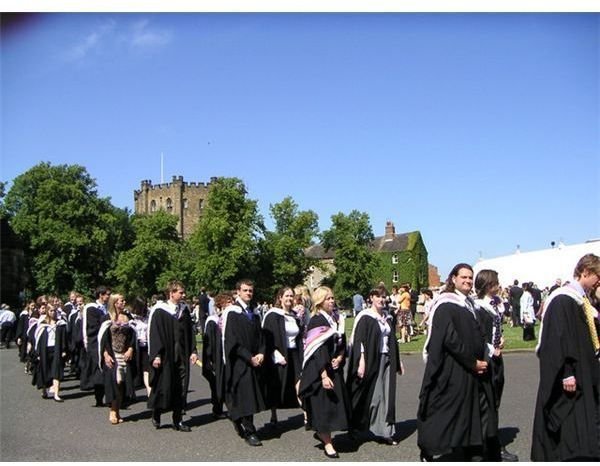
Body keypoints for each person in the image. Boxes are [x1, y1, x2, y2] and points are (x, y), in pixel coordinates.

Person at [417, 263, 498, 461]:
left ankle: (472, 449)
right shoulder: (446, 304)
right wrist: (472, 362)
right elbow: (450, 339)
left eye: (470, 278)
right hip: (454, 369)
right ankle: (431, 448)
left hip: (471, 370)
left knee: (470, 411)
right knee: (448, 412)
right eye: (464, 277)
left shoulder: (469, 303)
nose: (468, 281)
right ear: (453, 279)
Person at [531, 253, 600, 461]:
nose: (599, 281)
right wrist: (566, 373)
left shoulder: (582, 300)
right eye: (597, 276)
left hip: (585, 368)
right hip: (571, 372)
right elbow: (558, 340)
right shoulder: (562, 299)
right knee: (571, 419)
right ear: (585, 272)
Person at [298, 286, 350, 459]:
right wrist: (324, 375)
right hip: (319, 371)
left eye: (332, 298)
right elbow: (317, 351)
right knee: (322, 407)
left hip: (334, 367)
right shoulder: (317, 321)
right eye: (328, 299)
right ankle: (327, 442)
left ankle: (323, 433)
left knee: (334, 404)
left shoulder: (335, 319)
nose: (332, 301)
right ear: (319, 302)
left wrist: (341, 356)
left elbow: (342, 341)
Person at [346, 288, 402, 445]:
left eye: (384, 297)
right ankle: (355, 426)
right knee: (373, 396)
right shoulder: (365, 317)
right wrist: (361, 361)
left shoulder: (387, 317)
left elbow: (392, 340)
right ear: (371, 298)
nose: (382, 299)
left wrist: (398, 361)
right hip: (371, 360)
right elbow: (359, 340)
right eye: (378, 296)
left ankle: (385, 431)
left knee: (387, 395)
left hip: (386, 359)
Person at [474, 269, 519, 462]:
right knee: (488, 404)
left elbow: (493, 330)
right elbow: (478, 336)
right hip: (487, 359)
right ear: (487, 285)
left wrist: (499, 341)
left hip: (497, 359)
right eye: (495, 283)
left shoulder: (495, 305)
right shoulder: (478, 307)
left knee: (495, 401)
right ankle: (489, 446)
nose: (498, 286)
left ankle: (492, 442)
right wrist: (492, 349)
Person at [221, 279, 266, 446]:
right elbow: (232, 341)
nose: (248, 293)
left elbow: (260, 336)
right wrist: (249, 357)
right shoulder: (232, 313)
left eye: (251, 291)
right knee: (245, 396)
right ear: (238, 292)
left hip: (255, 360)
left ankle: (237, 418)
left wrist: (261, 352)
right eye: (245, 290)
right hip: (240, 361)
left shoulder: (254, 313)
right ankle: (250, 431)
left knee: (248, 396)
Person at [147, 280, 196, 432]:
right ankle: (157, 413)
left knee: (181, 386)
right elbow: (154, 333)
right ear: (171, 293)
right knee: (163, 386)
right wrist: (155, 355)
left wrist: (193, 350)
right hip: (165, 355)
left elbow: (190, 332)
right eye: (180, 292)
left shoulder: (184, 310)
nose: (183, 295)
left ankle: (178, 419)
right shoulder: (160, 310)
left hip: (181, 354)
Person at [262, 286, 304, 426]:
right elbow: (267, 337)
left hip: (295, 354)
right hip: (280, 354)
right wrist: (275, 353)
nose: (289, 298)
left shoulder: (294, 316)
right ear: (280, 298)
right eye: (287, 296)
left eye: (291, 296)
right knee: (278, 383)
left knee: (300, 381)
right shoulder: (273, 315)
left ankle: (306, 414)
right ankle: (273, 413)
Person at [99, 293, 136, 425]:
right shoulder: (106, 318)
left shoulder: (128, 317)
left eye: (124, 300)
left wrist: (131, 349)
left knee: (122, 384)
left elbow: (133, 336)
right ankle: (113, 410)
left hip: (124, 354)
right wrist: (105, 354)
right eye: (121, 301)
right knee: (115, 382)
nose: (123, 302)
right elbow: (102, 339)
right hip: (112, 354)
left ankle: (118, 409)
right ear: (114, 303)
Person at [80, 286, 111, 407]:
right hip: (95, 343)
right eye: (107, 294)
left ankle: (108, 396)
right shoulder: (91, 308)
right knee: (98, 369)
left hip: (107, 341)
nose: (108, 296)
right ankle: (99, 397)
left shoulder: (107, 308)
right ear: (101, 295)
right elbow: (92, 327)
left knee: (106, 369)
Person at [202, 292, 232, 419]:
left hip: (226, 358)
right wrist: (210, 361)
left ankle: (229, 408)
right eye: (228, 303)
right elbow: (209, 345)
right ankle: (217, 409)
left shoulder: (228, 319)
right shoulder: (212, 321)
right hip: (215, 359)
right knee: (217, 385)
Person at [32, 301, 68, 401]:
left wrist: (64, 350)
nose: (53, 312)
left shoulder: (60, 324)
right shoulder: (42, 325)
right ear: (47, 312)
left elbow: (64, 338)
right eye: (51, 311)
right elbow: (38, 340)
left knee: (57, 370)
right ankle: (44, 389)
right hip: (45, 350)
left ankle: (56, 394)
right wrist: (38, 352)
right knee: (44, 370)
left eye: (55, 311)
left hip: (56, 349)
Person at [130, 296, 151, 397]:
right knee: (135, 369)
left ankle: (149, 391)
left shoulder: (149, 315)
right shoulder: (130, 316)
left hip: (146, 346)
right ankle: (131, 391)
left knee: (147, 370)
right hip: (135, 347)